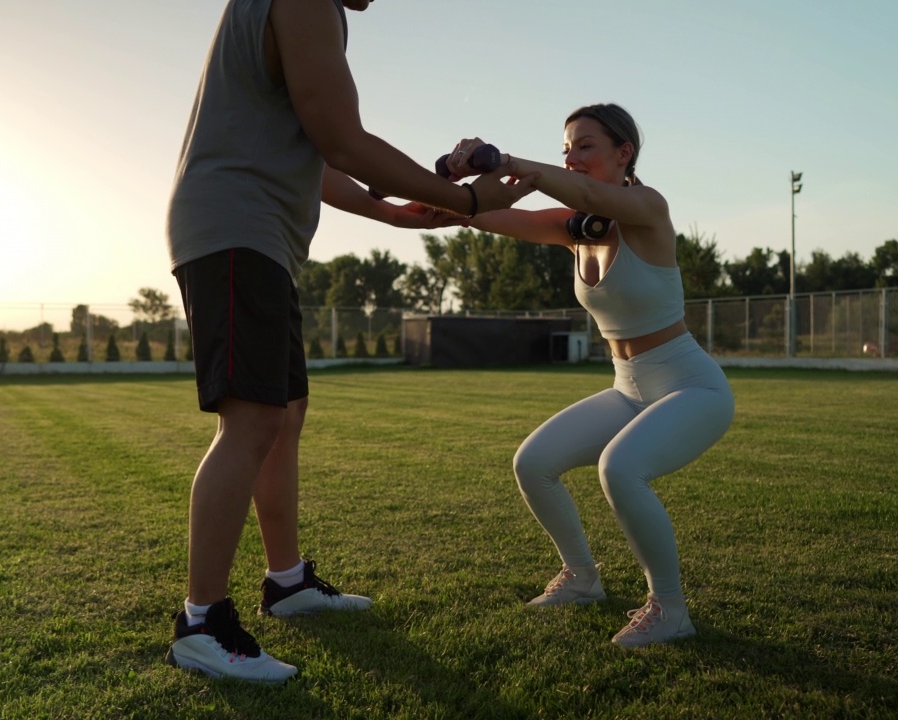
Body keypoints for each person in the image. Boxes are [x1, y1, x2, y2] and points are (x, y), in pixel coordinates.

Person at [163, 0, 537, 683]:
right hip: (236, 228)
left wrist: (396, 212)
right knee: (250, 420)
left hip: (256, 234)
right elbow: (342, 139)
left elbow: (316, 153)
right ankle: (201, 622)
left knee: (282, 415)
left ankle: (287, 582)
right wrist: (470, 202)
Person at [445, 103, 735, 648]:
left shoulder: (648, 207)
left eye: (585, 146)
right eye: (565, 150)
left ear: (623, 154)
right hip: (630, 387)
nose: (572, 159)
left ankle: (670, 608)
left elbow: (591, 195)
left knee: (619, 469)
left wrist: (505, 159)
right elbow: (479, 215)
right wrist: (457, 181)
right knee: (533, 463)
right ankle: (581, 579)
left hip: (691, 387)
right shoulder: (577, 229)